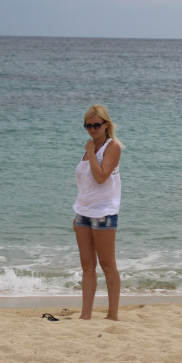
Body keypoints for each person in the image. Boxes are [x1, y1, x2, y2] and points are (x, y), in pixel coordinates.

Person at [73, 105, 123, 321]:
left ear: (106, 125)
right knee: (87, 265)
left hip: (104, 213)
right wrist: (78, 212)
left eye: (96, 125)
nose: (92, 129)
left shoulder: (112, 147)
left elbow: (101, 177)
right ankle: (85, 315)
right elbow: (85, 184)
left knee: (107, 265)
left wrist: (92, 153)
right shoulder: (90, 148)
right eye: (88, 125)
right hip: (82, 213)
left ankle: (112, 316)